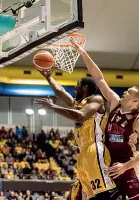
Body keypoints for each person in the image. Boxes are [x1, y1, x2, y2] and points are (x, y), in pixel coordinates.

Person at [70, 38, 139, 200]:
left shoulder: (138, 121)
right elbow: (99, 79)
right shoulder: (115, 103)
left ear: (135, 101)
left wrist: (126, 166)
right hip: (105, 160)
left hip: (124, 164)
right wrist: (84, 54)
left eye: (128, 91)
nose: (124, 92)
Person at [35, 71, 119, 199]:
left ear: (85, 88)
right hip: (83, 152)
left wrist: (52, 106)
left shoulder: (96, 99)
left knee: (105, 191)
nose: (75, 87)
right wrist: (49, 77)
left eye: (78, 84)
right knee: (90, 195)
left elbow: (81, 116)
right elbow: (60, 92)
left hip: (94, 148)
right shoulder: (78, 104)